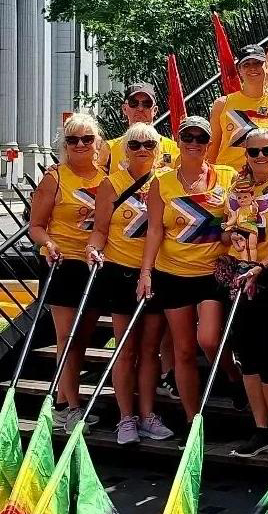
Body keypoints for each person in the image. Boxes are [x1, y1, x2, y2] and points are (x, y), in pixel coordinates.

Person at [138, 115, 244, 444]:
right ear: (178, 139)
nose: (194, 142)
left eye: (201, 137)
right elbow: (155, 229)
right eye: (188, 137)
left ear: (209, 142)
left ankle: (232, 375)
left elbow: (237, 222)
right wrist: (146, 272)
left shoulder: (227, 176)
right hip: (172, 274)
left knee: (209, 339)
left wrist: (233, 229)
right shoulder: (161, 182)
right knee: (183, 351)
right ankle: (192, 419)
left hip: (212, 273)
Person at [86, 122, 174, 445]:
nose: (141, 150)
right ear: (125, 148)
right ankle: (126, 417)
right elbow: (100, 230)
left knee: (150, 350)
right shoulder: (112, 184)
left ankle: (148, 414)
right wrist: (93, 248)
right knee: (125, 348)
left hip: (155, 273)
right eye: (135, 144)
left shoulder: (165, 183)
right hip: (121, 272)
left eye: (148, 145)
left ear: (158, 149)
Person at [28, 112, 104, 434]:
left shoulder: (108, 177)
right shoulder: (55, 177)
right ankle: (72, 408)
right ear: (65, 144)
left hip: (95, 263)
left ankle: (62, 402)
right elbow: (35, 227)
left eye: (87, 139)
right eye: (73, 140)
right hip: (63, 263)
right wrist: (49, 243)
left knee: (83, 339)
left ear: (97, 142)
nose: (80, 145)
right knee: (66, 338)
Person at [224, 128, 268, 461]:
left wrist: (262, 266)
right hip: (240, 275)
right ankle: (261, 428)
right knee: (245, 355)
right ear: (246, 157)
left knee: (266, 354)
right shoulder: (237, 189)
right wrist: (231, 237)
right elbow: (228, 230)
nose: (261, 157)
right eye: (254, 152)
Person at [207, 44, 268, 170]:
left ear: (267, 66)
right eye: (246, 65)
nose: (252, 68)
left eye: (257, 63)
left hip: (265, 178)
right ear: (239, 70)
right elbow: (211, 149)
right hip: (230, 178)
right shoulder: (222, 104)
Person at [99, 83, 180, 172]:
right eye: (134, 103)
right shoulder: (109, 149)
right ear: (124, 109)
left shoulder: (171, 148)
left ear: (155, 110)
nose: (140, 108)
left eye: (147, 104)